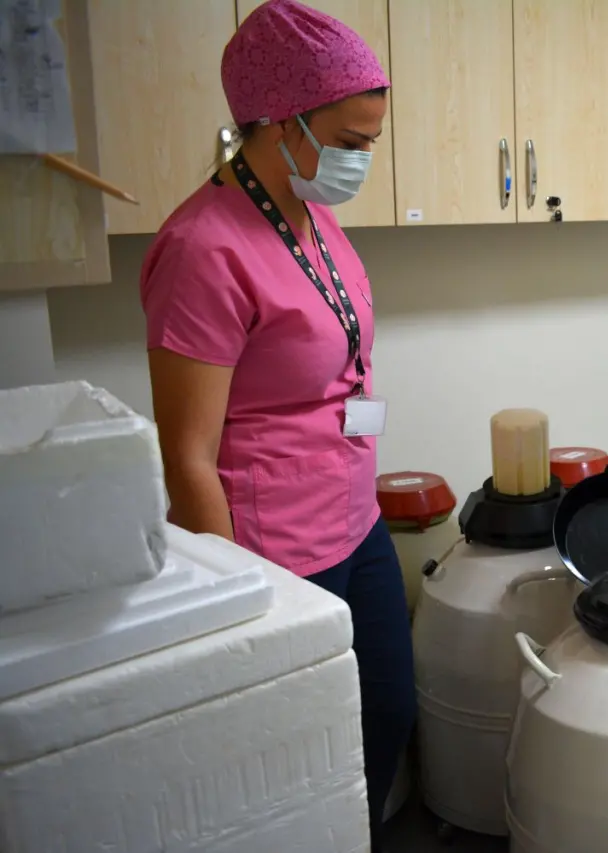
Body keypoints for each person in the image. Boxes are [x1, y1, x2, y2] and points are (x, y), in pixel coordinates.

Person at [139, 1, 412, 847]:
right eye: (351, 141)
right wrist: (233, 610)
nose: (363, 159)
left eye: (372, 140)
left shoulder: (313, 215)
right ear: (279, 124)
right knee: (306, 754)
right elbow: (186, 455)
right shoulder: (200, 247)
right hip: (273, 559)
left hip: (353, 522)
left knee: (387, 715)